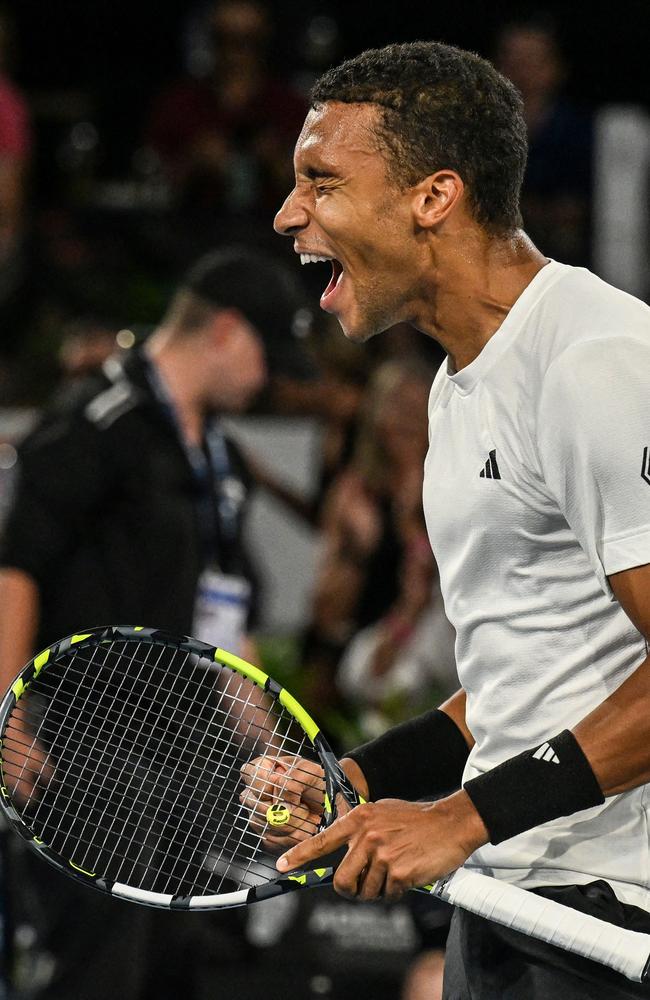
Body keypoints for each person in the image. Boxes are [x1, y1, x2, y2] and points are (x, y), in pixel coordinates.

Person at [240, 40, 650, 999]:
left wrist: (459, 820)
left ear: (434, 197)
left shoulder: (596, 364)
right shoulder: (455, 387)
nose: (287, 213)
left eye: (322, 181)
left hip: (611, 916)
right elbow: (523, 675)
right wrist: (363, 777)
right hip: (509, 906)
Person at [0, 245, 312, 1000]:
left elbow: (224, 631)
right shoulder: (94, 425)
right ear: (228, 333)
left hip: (187, 764)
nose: (269, 380)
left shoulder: (218, 461)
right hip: (86, 753)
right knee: (98, 976)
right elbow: (15, 570)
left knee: (186, 970)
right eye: (266, 357)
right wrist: (7, 723)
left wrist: (282, 763)